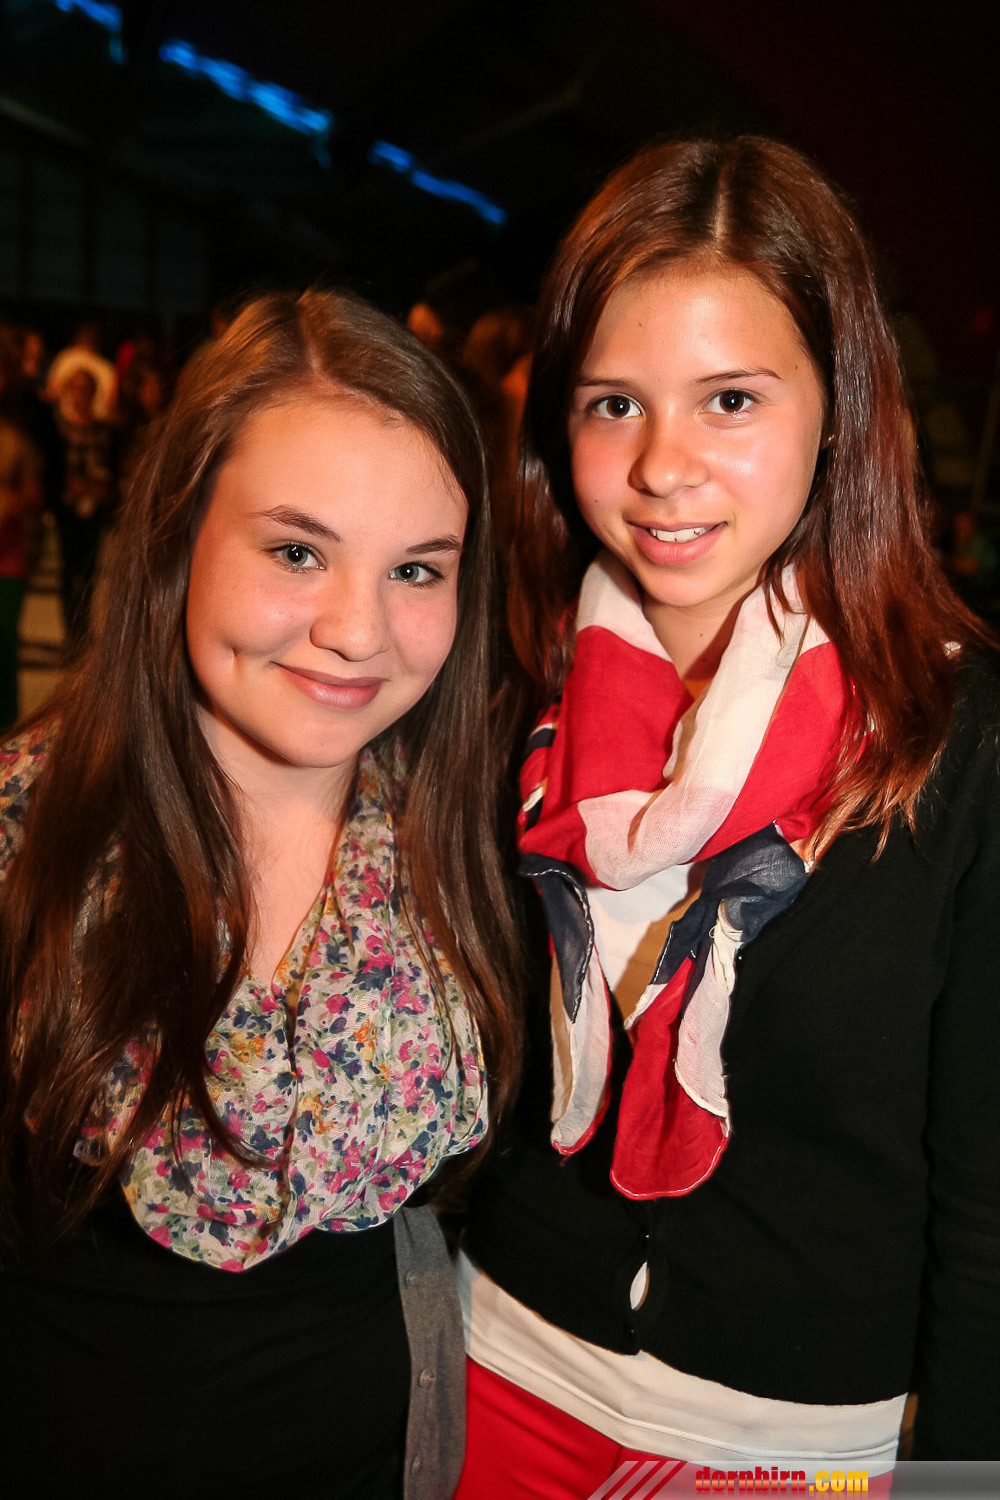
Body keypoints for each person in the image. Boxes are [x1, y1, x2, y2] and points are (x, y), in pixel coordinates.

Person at [455, 136, 1000, 1494]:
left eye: (732, 400)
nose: (662, 467)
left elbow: (988, 1207)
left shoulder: (957, 739)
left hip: (793, 1446)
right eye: (614, 404)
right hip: (492, 1367)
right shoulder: (513, 690)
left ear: (839, 407)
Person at [0, 288, 520, 1498]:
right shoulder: (25, 835)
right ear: (179, 530)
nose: (357, 630)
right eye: (297, 552)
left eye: (416, 570)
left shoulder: (477, 855)